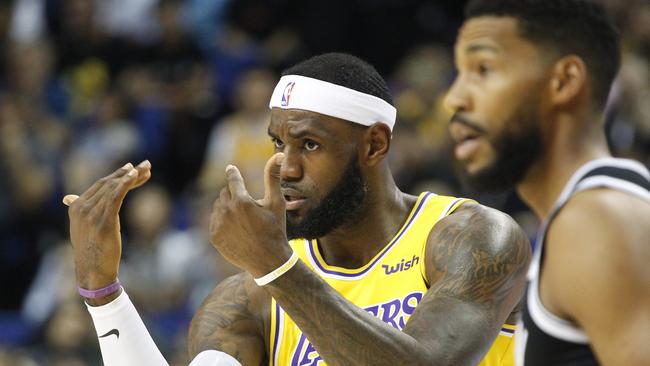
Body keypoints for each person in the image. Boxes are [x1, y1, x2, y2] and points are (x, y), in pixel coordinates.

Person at [64, 53, 531, 365]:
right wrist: (103, 294)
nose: (284, 168)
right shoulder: (246, 299)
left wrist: (276, 266)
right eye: (277, 143)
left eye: (309, 144)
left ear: (374, 144)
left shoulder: (471, 237)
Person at [445, 1, 650, 365]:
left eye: (484, 69)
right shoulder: (586, 213)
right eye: (460, 72)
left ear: (565, 81)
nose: (455, 98)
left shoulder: (597, 219)